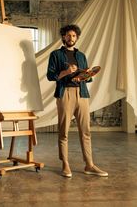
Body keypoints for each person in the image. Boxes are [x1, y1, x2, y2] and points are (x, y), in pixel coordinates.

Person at [46, 24, 108, 178]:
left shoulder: (81, 56)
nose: (71, 38)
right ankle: (65, 164)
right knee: (64, 131)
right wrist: (66, 72)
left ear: (77, 38)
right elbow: (50, 75)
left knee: (86, 131)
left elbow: (87, 78)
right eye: (68, 35)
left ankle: (89, 165)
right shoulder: (55, 55)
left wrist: (86, 74)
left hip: (82, 94)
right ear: (63, 37)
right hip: (65, 93)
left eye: (74, 36)